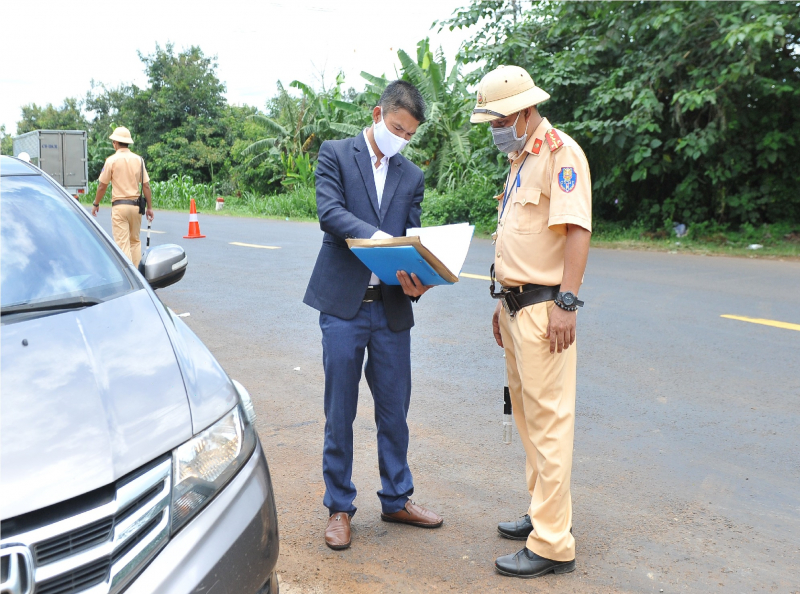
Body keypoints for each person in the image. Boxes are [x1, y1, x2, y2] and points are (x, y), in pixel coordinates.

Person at [304, 80, 444, 551]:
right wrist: (378, 239)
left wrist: (421, 277)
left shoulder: (412, 176)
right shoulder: (336, 154)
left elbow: (412, 237)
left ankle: (397, 498)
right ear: (377, 114)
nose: (401, 139)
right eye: (397, 128)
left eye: (409, 135)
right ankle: (339, 507)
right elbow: (330, 213)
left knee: (394, 411)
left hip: (391, 309)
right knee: (339, 411)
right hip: (343, 308)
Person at [470, 65, 592, 578]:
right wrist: (502, 303)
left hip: (546, 311)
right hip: (515, 307)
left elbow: (577, 230)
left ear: (522, 112)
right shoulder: (521, 158)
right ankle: (544, 513)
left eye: (499, 121)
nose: (495, 130)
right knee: (526, 418)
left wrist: (567, 302)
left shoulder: (561, 153)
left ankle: (552, 544)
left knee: (549, 424)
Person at [92, 126, 154, 266]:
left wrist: (96, 203)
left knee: (122, 244)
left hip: (119, 208)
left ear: (115, 143)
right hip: (136, 207)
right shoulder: (139, 160)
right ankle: (137, 273)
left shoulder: (111, 160)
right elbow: (146, 186)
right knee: (135, 242)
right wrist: (149, 208)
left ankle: (128, 275)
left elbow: (102, 186)